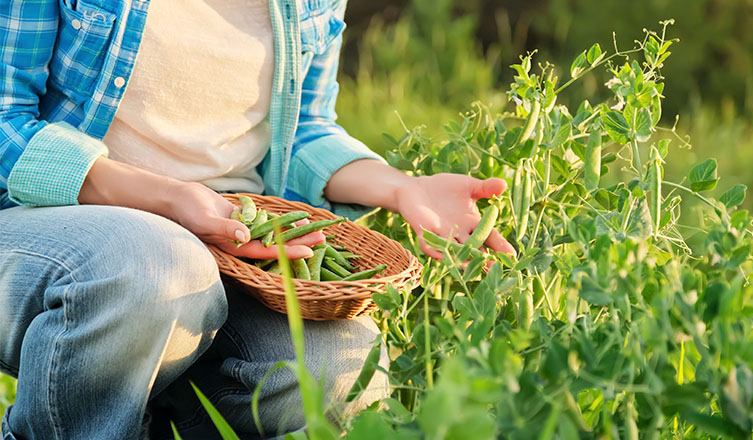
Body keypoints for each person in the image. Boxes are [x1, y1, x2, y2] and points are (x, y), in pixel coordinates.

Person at [0, 0, 515, 438]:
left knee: (340, 371)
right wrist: (169, 199)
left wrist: (402, 186)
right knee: (156, 265)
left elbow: (306, 126)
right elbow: (5, 116)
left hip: (232, 238)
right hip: (56, 225)